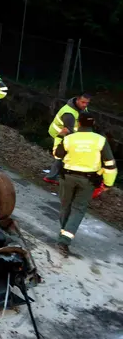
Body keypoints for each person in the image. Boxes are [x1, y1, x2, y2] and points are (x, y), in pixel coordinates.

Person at [53, 112, 117, 257]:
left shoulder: (69, 138)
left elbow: (57, 155)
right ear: (93, 124)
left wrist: (59, 137)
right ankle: (64, 240)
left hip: (67, 177)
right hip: (88, 181)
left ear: (78, 123)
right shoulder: (100, 140)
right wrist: (108, 183)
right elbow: (110, 164)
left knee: (65, 206)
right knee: (78, 209)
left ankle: (64, 234)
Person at [44, 93, 91, 184]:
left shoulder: (81, 107)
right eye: (83, 102)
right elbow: (69, 131)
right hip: (60, 134)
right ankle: (51, 177)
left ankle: (56, 176)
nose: (85, 105)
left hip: (66, 133)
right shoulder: (68, 114)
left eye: (87, 103)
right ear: (77, 100)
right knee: (61, 156)